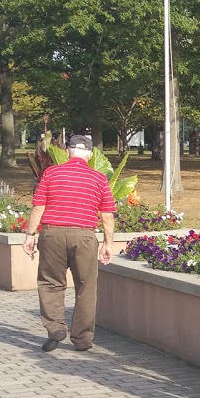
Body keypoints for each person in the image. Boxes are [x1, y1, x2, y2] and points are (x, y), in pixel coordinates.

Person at [23, 133, 117, 352]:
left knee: (50, 282)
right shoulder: (99, 178)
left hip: (52, 234)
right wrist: (107, 244)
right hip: (84, 236)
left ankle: (55, 327)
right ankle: (82, 339)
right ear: (91, 154)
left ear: (67, 152)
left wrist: (30, 235)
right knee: (86, 286)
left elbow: (38, 206)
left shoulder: (51, 173)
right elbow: (107, 215)